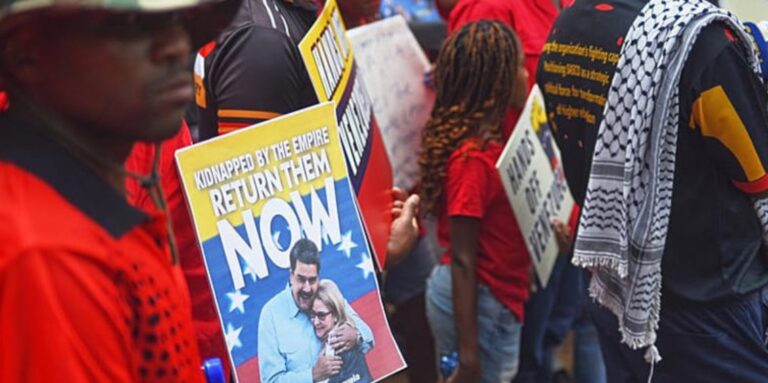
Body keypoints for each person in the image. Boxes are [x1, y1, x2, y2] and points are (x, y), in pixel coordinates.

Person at [0, 0, 238, 382]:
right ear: (26, 53)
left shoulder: (143, 137)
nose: (176, 45)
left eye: (178, 18)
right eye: (130, 24)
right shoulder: (45, 255)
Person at [539, 0, 768, 381]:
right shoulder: (702, 43)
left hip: (613, 291)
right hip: (709, 305)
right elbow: (759, 175)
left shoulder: (565, 28)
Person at [419, 20, 530, 383]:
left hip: (491, 299)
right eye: (517, 66)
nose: (525, 73)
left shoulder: (488, 147)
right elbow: (464, 261)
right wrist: (468, 358)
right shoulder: (472, 161)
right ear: (497, 83)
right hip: (478, 305)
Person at [258, 238, 374, 383]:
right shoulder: (271, 314)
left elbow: (368, 337)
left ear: (318, 277)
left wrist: (356, 335)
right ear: (291, 275)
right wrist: (312, 375)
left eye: (312, 280)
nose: (307, 288)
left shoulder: (326, 294)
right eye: (301, 279)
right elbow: (271, 381)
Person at [312, 279, 374, 383]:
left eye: (321, 315)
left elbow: (368, 338)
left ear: (336, 314)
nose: (315, 322)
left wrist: (357, 335)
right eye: (312, 315)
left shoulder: (344, 344)